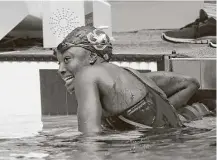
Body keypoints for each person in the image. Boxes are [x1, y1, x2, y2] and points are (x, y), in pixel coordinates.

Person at [53, 26, 211, 135]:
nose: (60, 69)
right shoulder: (132, 76)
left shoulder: (87, 75)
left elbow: (89, 140)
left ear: (93, 57)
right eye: (58, 62)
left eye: (67, 59)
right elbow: (190, 84)